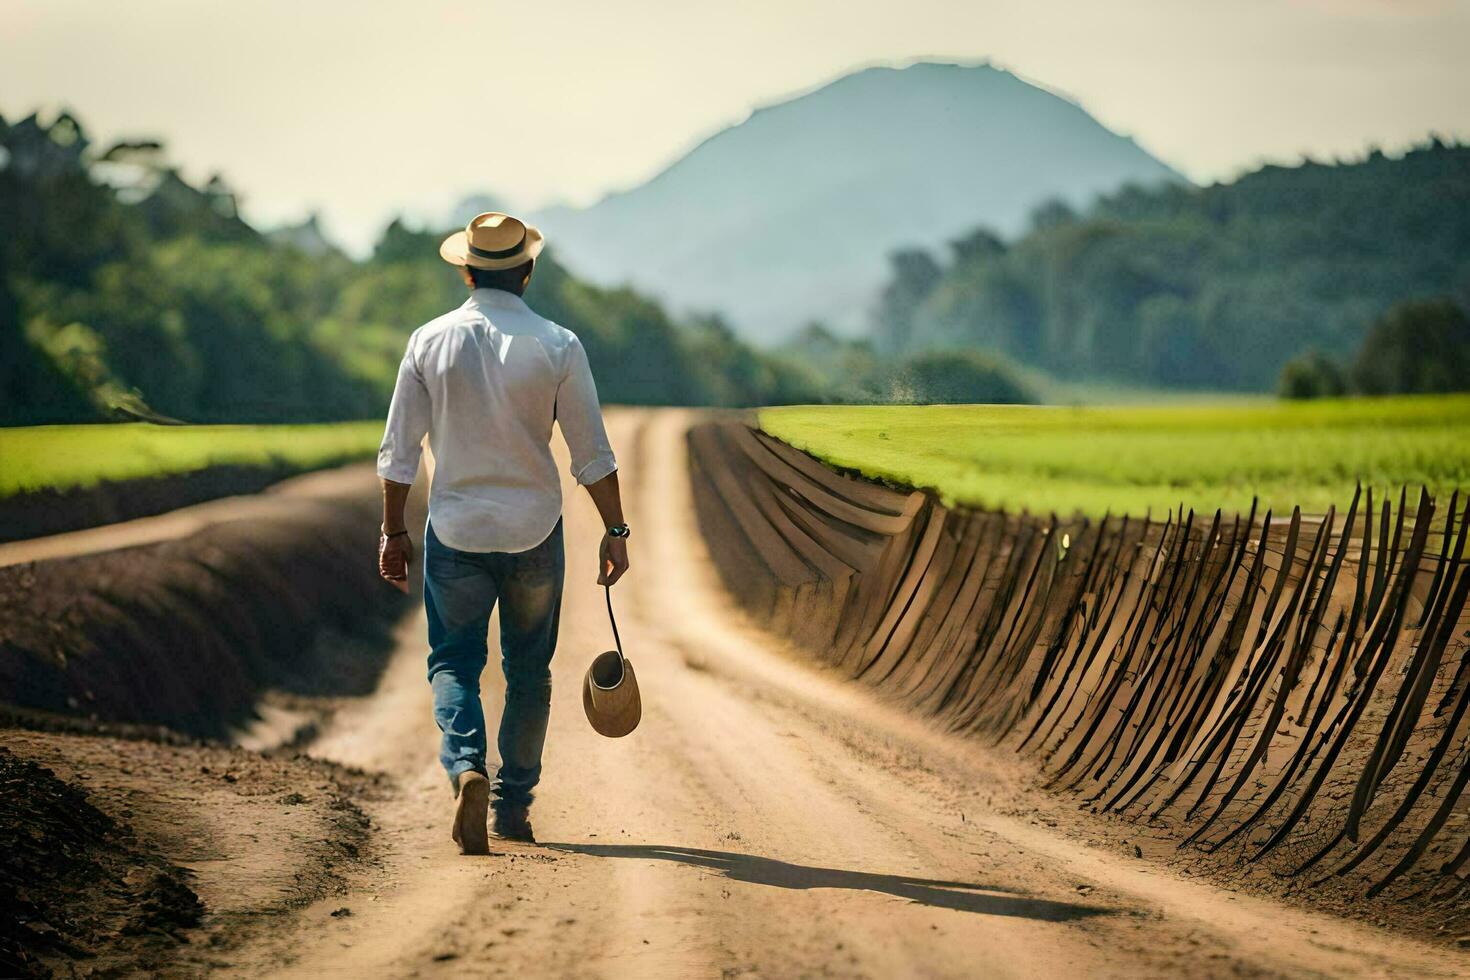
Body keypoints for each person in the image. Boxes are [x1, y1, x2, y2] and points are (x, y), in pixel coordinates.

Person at [375, 212, 630, 854]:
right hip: (534, 531)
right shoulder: (559, 345)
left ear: (465, 269)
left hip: (455, 530)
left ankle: (467, 768)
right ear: (528, 270)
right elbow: (591, 453)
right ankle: (512, 807)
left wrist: (391, 532)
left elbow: (398, 452)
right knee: (528, 672)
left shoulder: (427, 341)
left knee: (454, 661)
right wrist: (616, 528)